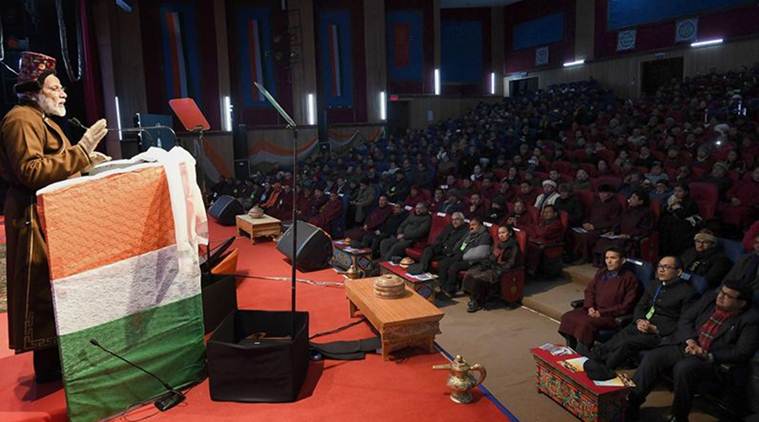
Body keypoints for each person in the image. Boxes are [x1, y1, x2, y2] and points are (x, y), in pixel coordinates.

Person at [0, 52, 109, 383]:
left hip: (52, 218)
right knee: (42, 295)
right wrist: (82, 150)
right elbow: (31, 171)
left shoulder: (40, 120)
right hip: (32, 220)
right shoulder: (20, 120)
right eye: (56, 87)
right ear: (35, 90)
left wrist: (86, 164)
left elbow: (55, 162)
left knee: (56, 292)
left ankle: (61, 367)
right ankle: (50, 375)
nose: (63, 93)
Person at [627, 280, 759, 422]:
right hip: (688, 344)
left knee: (684, 368)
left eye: (727, 296)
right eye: (721, 291)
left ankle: (678, 416)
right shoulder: (710, 299)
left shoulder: (750, 319)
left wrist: (707, 354)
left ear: (741, 303)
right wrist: (690, 340)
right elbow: (686, 319)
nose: (720, 296)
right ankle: (631, 403)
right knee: (654, 357)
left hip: (710, 358)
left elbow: (742, 351)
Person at [584, 256, 699, 379]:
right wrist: (639, 320)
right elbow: (640, 306)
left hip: (661, 334)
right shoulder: (654, 284)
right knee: (620, 336)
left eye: (667, 267)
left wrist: (656, 329)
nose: (661, 270)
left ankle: (605, 370)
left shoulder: (688, 293)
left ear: (679, 272)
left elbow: (684, 321)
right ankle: (594, 359)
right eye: (660, 266)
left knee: (627, 343)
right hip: (643, 323)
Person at [558, 247, 640, 349]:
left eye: (613, 258)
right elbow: (590, 291)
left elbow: (626, 306)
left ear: (622, 260)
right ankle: (571, 348)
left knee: (585, 325)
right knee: (568, 317)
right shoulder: (602, 272)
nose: (609, 261)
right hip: (592, 310)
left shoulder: (630, 279)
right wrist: (590, 307)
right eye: (607, 258)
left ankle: (582, 352)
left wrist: (601, 313)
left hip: (610, 316)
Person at [462, 225, 520, 313]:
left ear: (510, 233)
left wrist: (497, 267)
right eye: (499, 233)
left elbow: (511, 263)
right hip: (491, 266)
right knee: (471, 273)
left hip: (500, 270)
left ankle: (476, 302)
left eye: (503, 233)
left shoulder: (513, 246)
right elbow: (491, 256)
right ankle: (473, 296)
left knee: (479, 277)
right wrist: (487, 262)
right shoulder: (498, 244)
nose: (501, 235)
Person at [592, 190, 654, 265]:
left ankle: (611, 264)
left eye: (633, 198)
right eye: (630, 197)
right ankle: (600, 262)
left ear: (641, 201)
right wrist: (613, 231)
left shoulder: (647, 213)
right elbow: (619, 222)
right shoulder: (628, 210)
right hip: (619, 235)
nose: (629, 200)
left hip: (630, 238)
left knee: (616, 244)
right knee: (603, 240)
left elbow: (645, 229)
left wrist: (628, 235)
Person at [438, 217, 492, 296]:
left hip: (473, 261)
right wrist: (456, 252)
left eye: (474, 225)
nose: (471, 227)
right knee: (444, 263)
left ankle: (450, 290)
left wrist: (463, 255)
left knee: (454, 267)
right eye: (470, 225)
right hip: (461, 256)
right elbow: (461, 245)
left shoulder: (485, 236)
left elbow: (481, 253)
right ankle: (442, 287)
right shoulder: (469, 234)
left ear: (480, 225)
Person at [572, 185, 623, 264]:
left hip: (602, 229)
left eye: (604, 193)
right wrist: (585, 223)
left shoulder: (615, 205)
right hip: (589, 226)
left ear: (611, 194)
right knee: (574, 232)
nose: (602, 195)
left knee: (587, 236)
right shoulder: (596, 202)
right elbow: (587, 214)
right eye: (600, 193)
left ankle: (585, 257)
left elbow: (613, 221)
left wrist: (595, 226)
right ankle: (575, 255)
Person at [659, 183, 701, 257]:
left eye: (679, 191)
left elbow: (681, 215)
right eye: (675, 191)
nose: (676, 193)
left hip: (686, 223)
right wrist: (669, 206)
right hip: (673, 222)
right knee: (663, 223)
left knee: (674, 228)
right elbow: (664, 211)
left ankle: (675, 254)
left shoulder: (690, 202)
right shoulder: (672, 199)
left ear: (686, 192)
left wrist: (675, 205)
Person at [524, 205, 564, 275]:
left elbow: (543, 233)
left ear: (555, 214)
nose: (545, 214)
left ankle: (531, 270)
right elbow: (531, 228)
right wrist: (536, 231)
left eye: (548, 212)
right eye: (544, 212)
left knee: (533, 247)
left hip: (549, 244)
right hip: (537, 240)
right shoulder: (543, 221)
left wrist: (536, 231)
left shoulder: (557, 224)